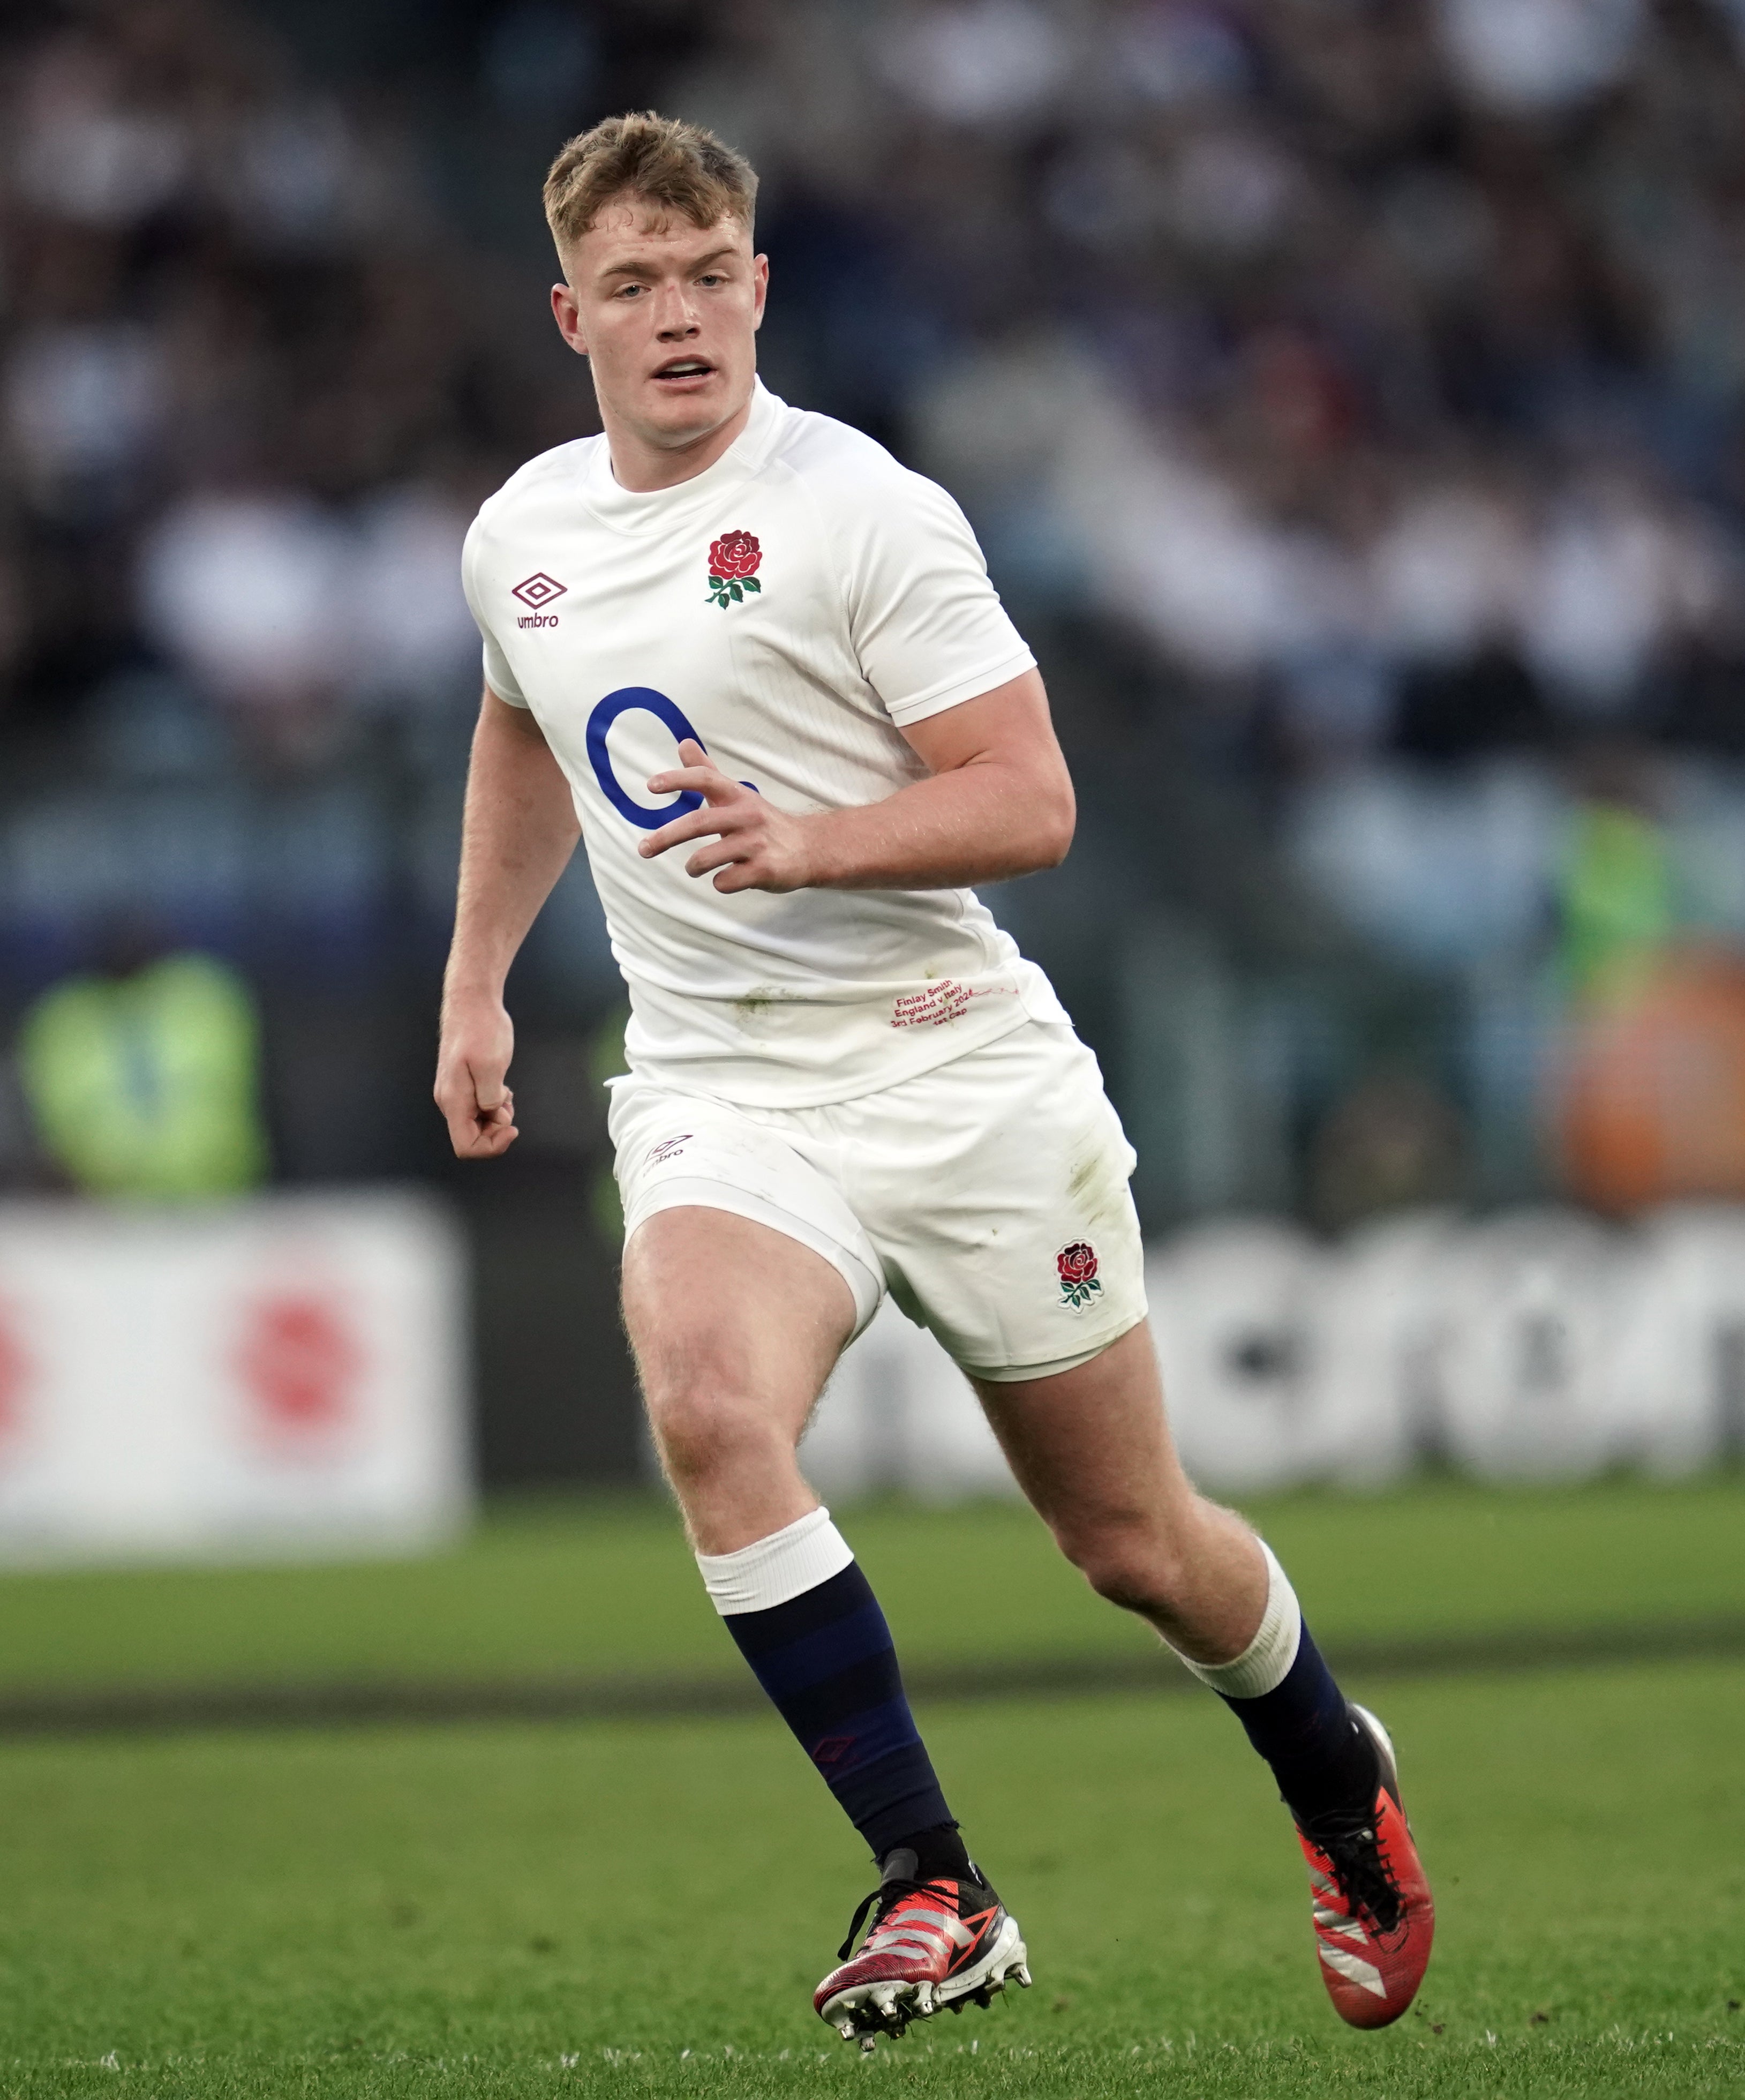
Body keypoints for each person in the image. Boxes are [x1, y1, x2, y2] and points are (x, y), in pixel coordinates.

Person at [435, 111, 1433, 2050]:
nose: (677, 317)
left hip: (951, 1072)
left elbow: (1030, 799)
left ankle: (1330, 1772)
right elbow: (519, 728)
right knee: (713, 1412)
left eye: (709, 274)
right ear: (571, 315)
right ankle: (934, 1881)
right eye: (633, 286)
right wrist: (475, 983)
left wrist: (806, 839)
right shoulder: (521, 536)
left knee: (1132, 1546)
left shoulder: (863, 512)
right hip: (726, 1084)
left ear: (760, 289)